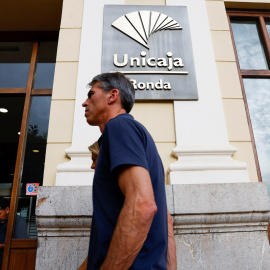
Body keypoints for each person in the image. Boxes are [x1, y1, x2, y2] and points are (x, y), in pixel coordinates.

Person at [82, 72, 176, 270]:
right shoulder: (135, 134)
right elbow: (166, 221)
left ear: (112, 95)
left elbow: (142, 205)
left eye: (91, 94)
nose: (85, 102)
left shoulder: (119, 126)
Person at [0, 197, 28, 266]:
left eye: (0, 214)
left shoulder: (18, 221)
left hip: (11, 261)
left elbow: (20, 244)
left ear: (7, 210)